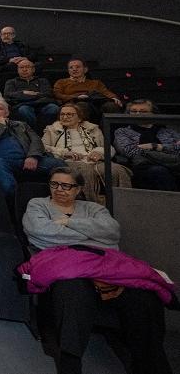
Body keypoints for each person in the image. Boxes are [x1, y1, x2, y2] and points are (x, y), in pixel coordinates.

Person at [22, 167, 172, 374]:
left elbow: (112, 232)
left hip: (104, 267)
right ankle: (70, 366)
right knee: (71, 293)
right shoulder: (38, 204)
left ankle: (150, 366)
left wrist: (68, 222)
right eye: (54, 184)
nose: (59, 189)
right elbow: (40, 232)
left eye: (66, 186)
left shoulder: (93, 208)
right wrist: (92, 237)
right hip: (66, 265)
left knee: (145, 298)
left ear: (78, 189)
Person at [42, 103, 132, 203]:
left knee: (116, 170)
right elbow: (43, 147)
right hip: (70, 161)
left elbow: (107, 146)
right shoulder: (52, 130)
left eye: (69, 114)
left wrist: (99, 153)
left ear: (79, 118)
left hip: (94, 161)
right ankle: (93, 203)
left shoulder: (93, 129)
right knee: (85, 170)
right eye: (62, 114)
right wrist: (64, 153)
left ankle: (124, 203)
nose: (65, 117)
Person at [0, 98, 64, 197]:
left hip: (27, 158)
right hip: (4, 162)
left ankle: (60, 196)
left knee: (60, 164)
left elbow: (36, 140)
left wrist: (33, 156)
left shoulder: (21, 125)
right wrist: (1, 125)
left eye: (0, 109)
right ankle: (15, 199)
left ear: (7, 113)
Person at [113, 99, 180, 191]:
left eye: (143, 111)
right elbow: (129, 151)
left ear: (153, 114)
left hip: (172, 162)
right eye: (134, 111)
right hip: (144, 166)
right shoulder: (123, 132)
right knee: (159, 171)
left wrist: (155, 146)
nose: (137, 114)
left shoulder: (167, 131)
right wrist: (168, 148)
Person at [53, 58, 123, 119]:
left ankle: (115, 129)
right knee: (82, 105)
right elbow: (57, 94)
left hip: (94, 104)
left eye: (78, 67)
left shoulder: (95, 83)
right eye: (71, 68)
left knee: (111, 106)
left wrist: (114, 98)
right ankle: (84, 129)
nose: (74, 69)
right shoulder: (61, 82)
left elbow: (106, 92)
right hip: (74, 103)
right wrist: (76, 97)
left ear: (85, 70)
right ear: (68, 70)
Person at [3, 59, 59, 131]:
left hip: (42, 104)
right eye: (21, 67)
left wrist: (23, 96)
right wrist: (24, 92)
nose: (24, 69)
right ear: (18, 70)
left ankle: (46, 130)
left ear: (33, 69)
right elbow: (8, 95)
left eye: (27, 67)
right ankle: (34, 131)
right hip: (22, 105)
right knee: (24, 110)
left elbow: (48, 94)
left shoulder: (43, 81)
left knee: (53, 108)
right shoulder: (11, 82)